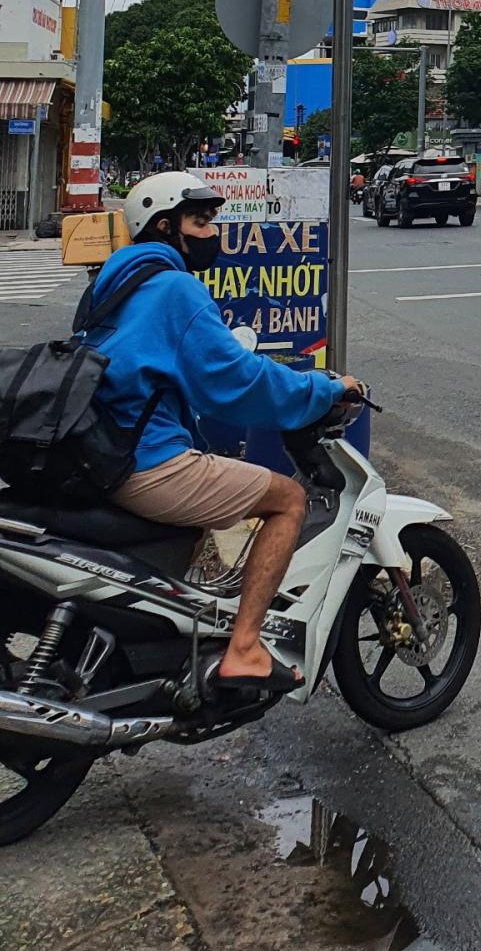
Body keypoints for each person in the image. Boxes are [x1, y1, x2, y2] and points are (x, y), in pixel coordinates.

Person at [87, 172, 360, 694]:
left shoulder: (113, 282)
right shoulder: (174, 288)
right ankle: (244, 650)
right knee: (287, 500)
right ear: (166, 227)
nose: (213, 234)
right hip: (147, 460)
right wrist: (321, 390)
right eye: (201, 221)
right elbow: (237, 382)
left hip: (107, 449)